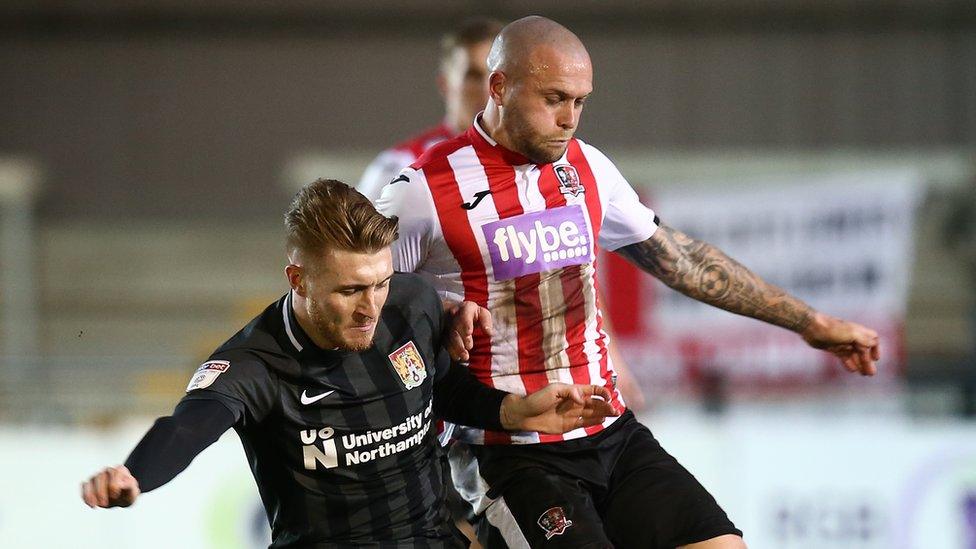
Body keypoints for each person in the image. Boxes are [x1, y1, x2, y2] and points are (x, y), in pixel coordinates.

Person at [376, 16, 881, 549]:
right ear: (499, 86)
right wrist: (428, 320)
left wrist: (811, 323)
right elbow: (362, 311)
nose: (569, 118)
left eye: (580, 101)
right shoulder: (422, 192)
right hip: (510, 450)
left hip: (610, 431)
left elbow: (680, 261)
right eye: (554, 98)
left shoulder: (588, 168)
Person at [80, 179, 617, 548]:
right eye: (350, 290)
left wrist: (517, 411)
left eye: (380, 283)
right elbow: (188, 427)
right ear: (298, 279)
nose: (371, 306)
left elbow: (444, 389)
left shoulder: (413, 303)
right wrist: (136, 475)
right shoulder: (255, 364)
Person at [358, 16, 647, 411]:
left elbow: (567, 271)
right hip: (447, 392)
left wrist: (614, 359)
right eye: (473, 75)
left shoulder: (546, 162)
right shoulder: (402, 172)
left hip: (535, 399)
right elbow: (364, 280)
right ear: (447, 83)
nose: (484, 87)